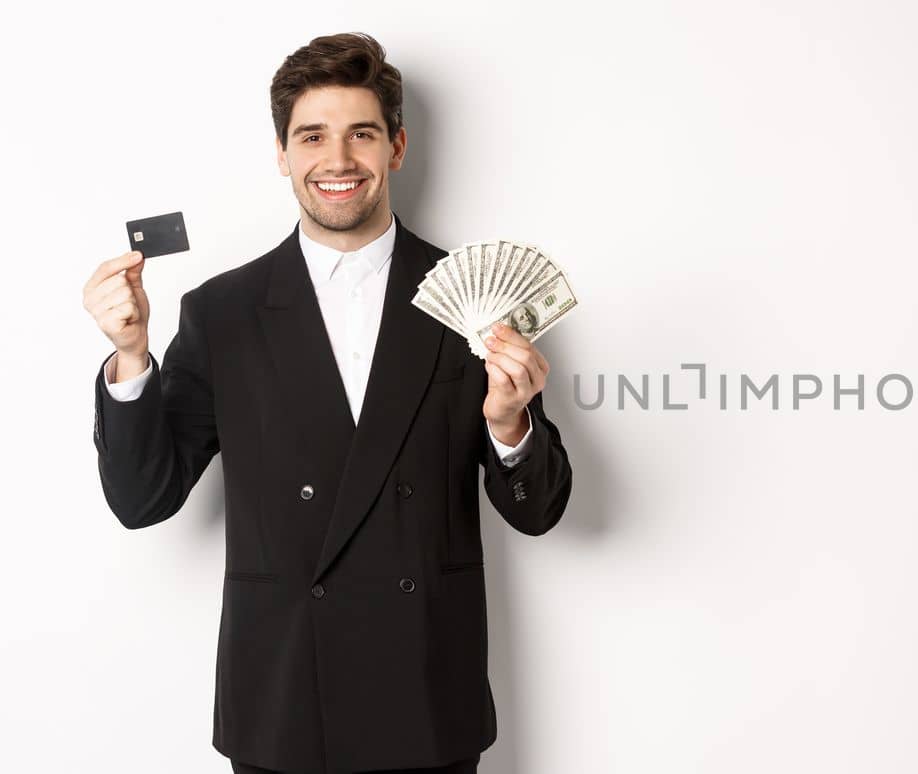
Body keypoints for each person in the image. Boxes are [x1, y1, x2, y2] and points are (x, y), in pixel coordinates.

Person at [80, 32, 573, 774]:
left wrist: (509, 424)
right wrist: (129, 357)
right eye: (313, 136)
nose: (338, 161)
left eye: (361, 134)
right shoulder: (223, 312)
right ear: (282, 153)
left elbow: (539, 511)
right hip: (281, 702)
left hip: (426, 700)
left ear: (397, 147)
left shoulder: (473, 304)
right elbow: (141, 498)